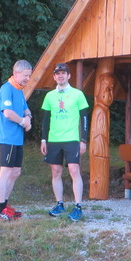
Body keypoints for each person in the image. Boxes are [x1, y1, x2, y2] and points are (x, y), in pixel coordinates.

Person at [41, 63, 90, 222]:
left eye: (63, 73)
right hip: (54, 139)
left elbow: (84, 118)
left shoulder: (78, 94)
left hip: (72, 139)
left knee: (74, 171)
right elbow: (45, 120)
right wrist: (43, 139)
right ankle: (59, 204)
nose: (60, 76)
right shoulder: (50, 96)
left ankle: (78, 207)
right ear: (54, 77)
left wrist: (83, 140)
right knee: (56, 172)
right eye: (57, 74)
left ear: (69, 76)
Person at [0, 60, 33, 221]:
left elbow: (25, 108)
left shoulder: (19, 90)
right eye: (25, 75)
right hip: (7, 137)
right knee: (6, 171)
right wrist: (23, 122)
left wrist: (28, 118)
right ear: (16, 73)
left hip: (17, 138)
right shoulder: (7, 88)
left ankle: (5, 205)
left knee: (16, 172)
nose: (28, 78)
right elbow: (7, 112)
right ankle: (0, 209)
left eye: (29, 75)